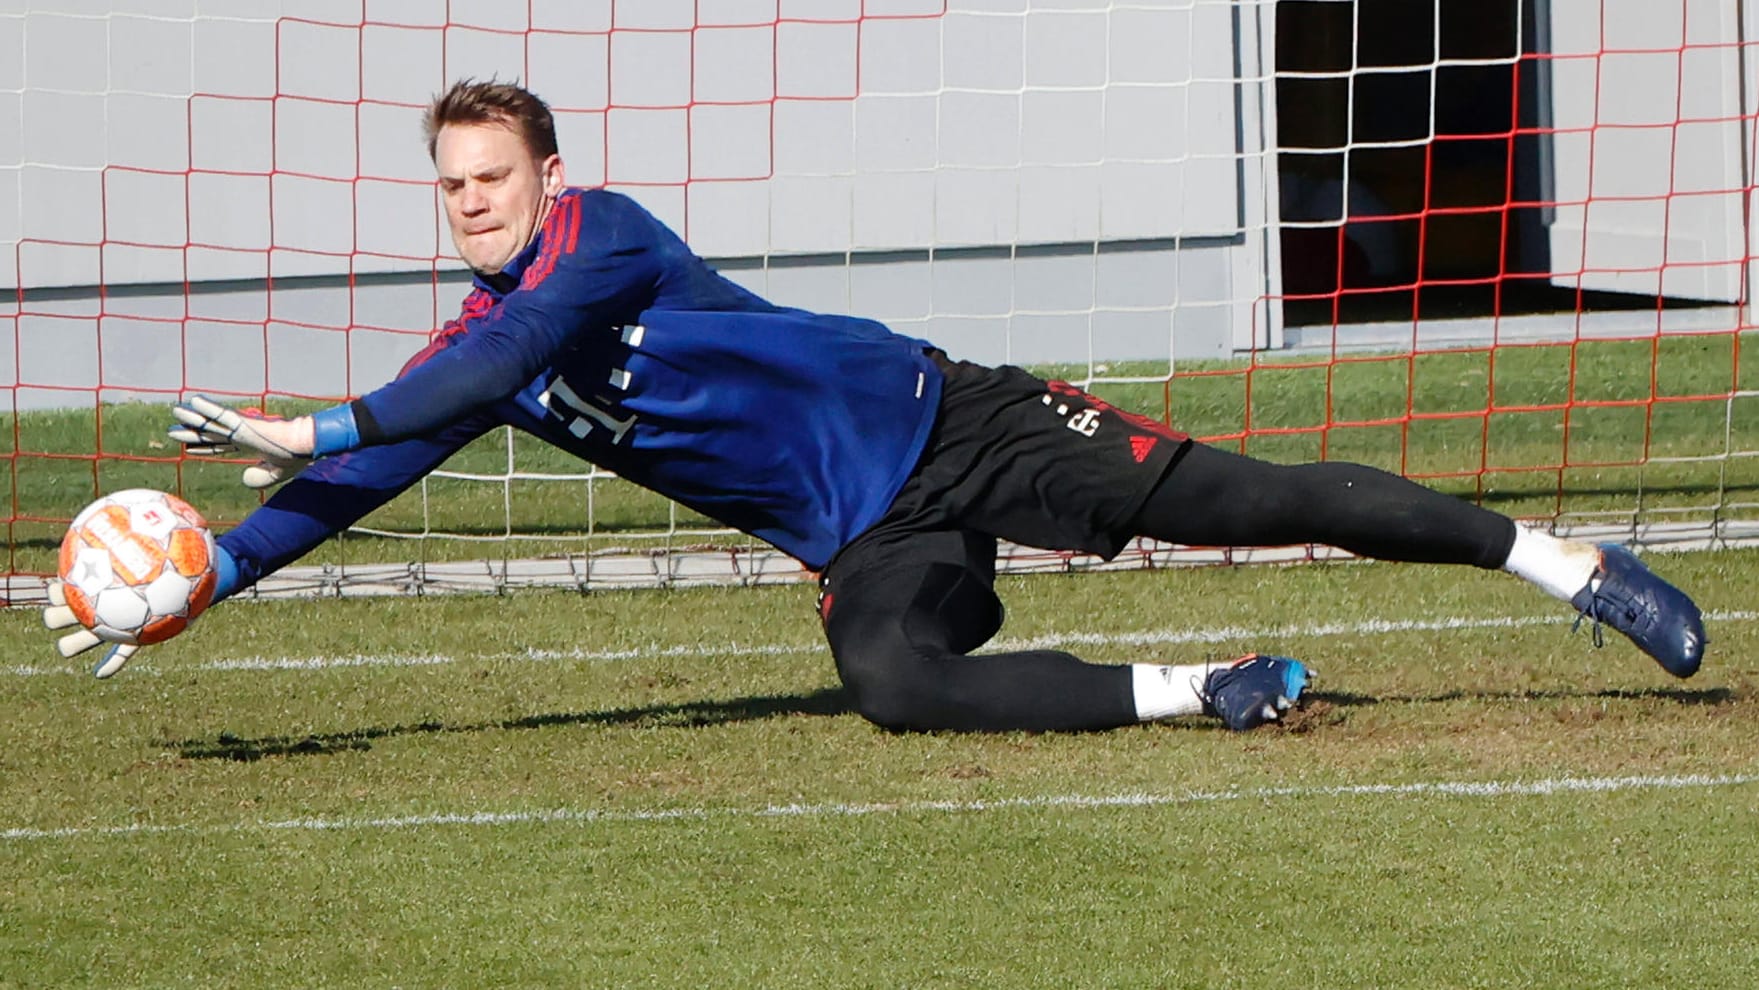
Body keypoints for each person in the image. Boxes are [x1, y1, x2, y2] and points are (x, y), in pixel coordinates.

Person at [44, 79, 1707, 732]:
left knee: (1251, 495)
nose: (475, 200)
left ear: (544, 171)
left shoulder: (596, 241)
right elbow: (396, 455)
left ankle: (1569, 567)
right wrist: (215, 576)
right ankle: (1212, 688)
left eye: (495, 174)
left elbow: (465, 379)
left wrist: (317, 422)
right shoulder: (480, 330)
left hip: (954, 417)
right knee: (899, 683)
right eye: (454, 184)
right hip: (873, 528)